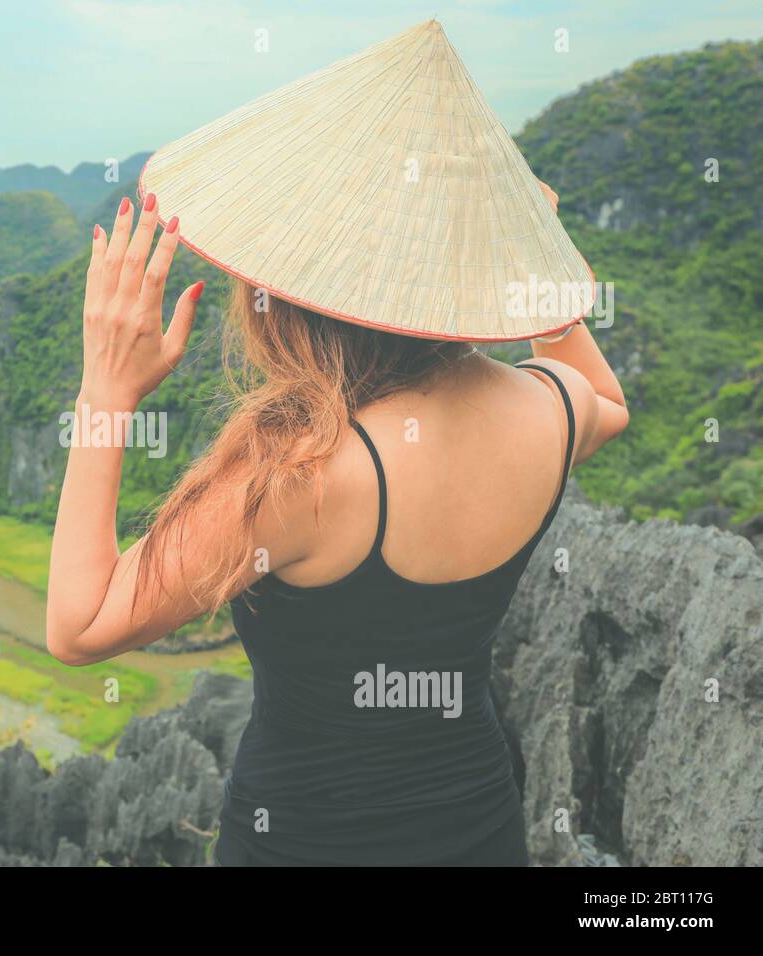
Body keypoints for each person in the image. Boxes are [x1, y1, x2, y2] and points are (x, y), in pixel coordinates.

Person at [44, 181, 628, 865]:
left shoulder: (299, 474)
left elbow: (79, 626)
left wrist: (106, 392)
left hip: (299, 841)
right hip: (481, 830)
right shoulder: (549, 410)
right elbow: (606, 401)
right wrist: (539, 277)